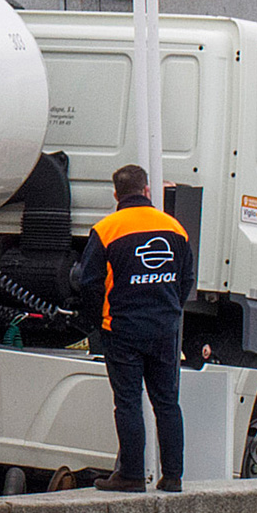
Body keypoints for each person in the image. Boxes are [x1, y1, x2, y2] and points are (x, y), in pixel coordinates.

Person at [76, 164, 194, 493]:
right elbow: (186, 280)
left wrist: (95, 321)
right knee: (167, 403)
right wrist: (169, 310)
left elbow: (90, 283)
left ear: (116, 194)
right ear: (146, 191)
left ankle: (130, 475)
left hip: (123, 328)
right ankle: (172, 476)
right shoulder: (175, 228)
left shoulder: (107, 229)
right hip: (165, 328)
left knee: (128, 402)